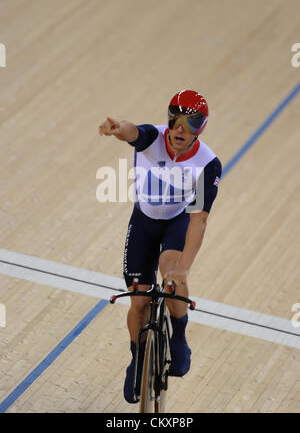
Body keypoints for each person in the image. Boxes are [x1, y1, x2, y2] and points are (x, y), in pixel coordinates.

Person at [99, 90, 222, 403]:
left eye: (190, 121)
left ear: (201, 127)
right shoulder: (152, 137)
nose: (180, 128)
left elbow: (199, 221)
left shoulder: (207, 164)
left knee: (172, 276)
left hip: (176, 225)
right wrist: (117, 129)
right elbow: (133, 131)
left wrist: (184, 265)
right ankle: (137, 358)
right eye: (175, 119)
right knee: (138, 299)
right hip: (143, 223)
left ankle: (179, 336)